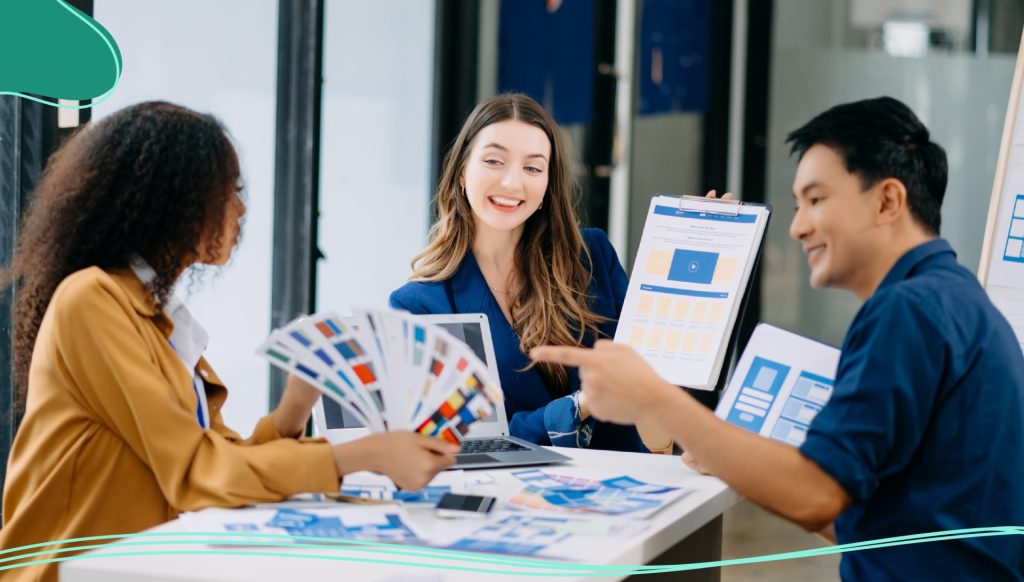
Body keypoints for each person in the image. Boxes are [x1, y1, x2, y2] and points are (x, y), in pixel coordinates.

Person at [533, 96, 1024, 580]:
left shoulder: (907, 312)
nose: (797, 227)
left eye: (816, 200)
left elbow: (817, 495)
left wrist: (655, 400)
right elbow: (871, 518)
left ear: (888, 200)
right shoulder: (949, 299)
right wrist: (733, 454)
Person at [0, 102, 457, 582]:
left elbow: (221, 455)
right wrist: (365, 455)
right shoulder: (91, 300)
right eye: (227, 191)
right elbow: (198, 473)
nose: (240, 210)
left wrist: (293, 410)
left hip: (136, 564)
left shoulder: (156, 314)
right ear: (170, 199)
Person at [390, 93, 647, 452]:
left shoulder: (591, 257)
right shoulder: (421, 304)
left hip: (628, 484)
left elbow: (654, 359)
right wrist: (577, 407)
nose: (512, 183)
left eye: (532, 168)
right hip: (510, 497)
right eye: (494, 161)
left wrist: (715, 251)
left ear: (546, 185)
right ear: (462, 172)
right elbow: (460, 439)